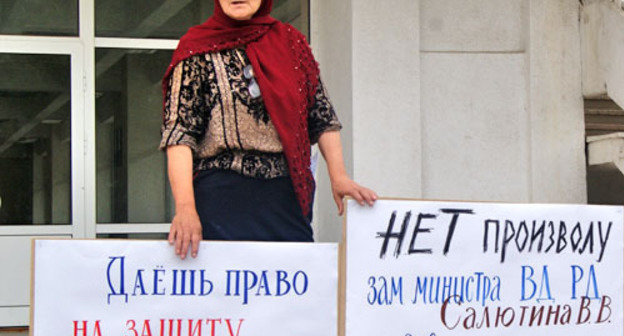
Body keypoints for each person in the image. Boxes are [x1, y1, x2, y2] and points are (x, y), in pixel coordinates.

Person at [160, 0, 377, 260]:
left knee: (294, 287)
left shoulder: (291, 43)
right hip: (221, 200)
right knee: (228, 293)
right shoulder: (196, 49)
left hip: (284, 198)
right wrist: (185, 209)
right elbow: (180, 135)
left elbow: (320, 114)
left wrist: (339, 176)